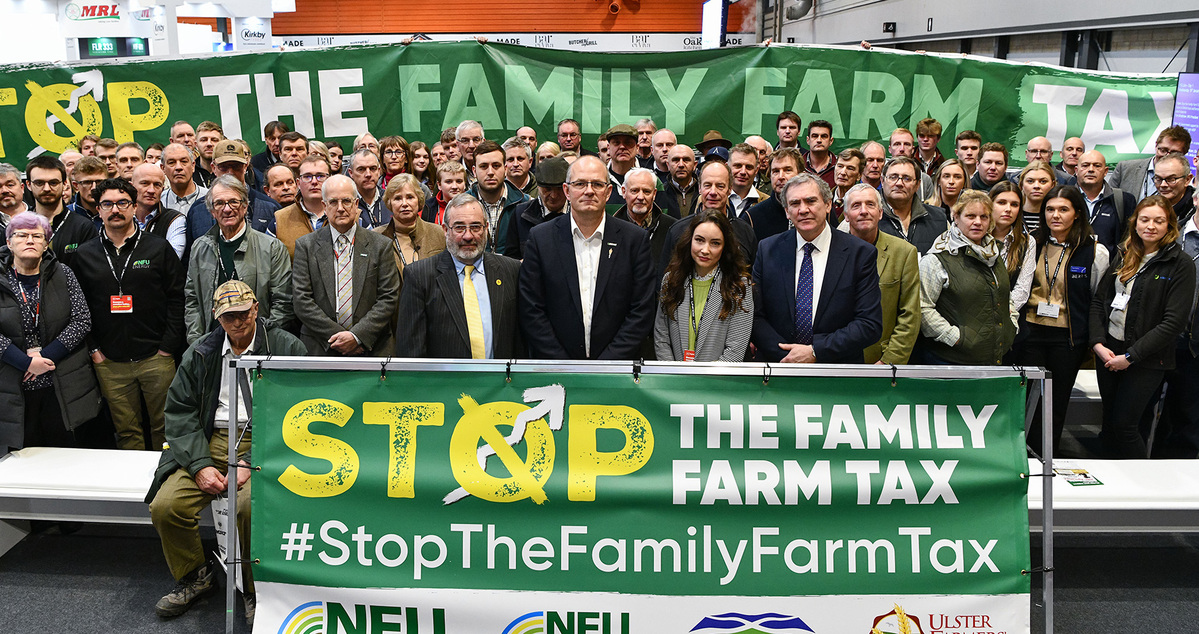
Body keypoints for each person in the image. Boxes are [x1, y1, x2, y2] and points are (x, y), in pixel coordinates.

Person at [147, 280, 307, 622]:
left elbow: (299, 409)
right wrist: (199, 464)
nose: (237, 322)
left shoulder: (286, 346)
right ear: (217, 317)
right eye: (228, 316)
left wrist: (251, 460)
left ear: (256, 309)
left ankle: (252, 588)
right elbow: (179, 411)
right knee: (166, 506)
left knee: (247, 508)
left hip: (266, 438)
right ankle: (195, 576)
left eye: (243, 313)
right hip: (209, 438)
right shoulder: (201, 351)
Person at [73, 178, 185, 451]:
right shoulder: (84, 254)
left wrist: (167, 347)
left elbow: (177, 298)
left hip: (156, 357)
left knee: (165, 429)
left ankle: (164, 476)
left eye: (122, 203)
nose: (115, 209)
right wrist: (94, 350)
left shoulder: (158, 248)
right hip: (109, 361)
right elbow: (78, 308)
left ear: (134, 207)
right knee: (126, 432)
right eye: (107, 204)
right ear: (98, 210)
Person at [518, 155, 656, 360]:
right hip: (556, 367)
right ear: (567, 191)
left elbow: (642, 309)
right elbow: (531, 308)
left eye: (597, 184)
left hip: (618, 368)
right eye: (580, 184)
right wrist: (564, 364)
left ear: (608, 192)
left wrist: (607, 364)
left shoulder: (634, 240)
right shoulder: (541, 239)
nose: (589, 191)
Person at [1091, 196, 1196, 458]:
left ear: (1169, 225)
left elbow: (1173, 322)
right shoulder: (1125, 253)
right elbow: (1100, 302)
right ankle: (1108, 478)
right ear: (1135, 222)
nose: (1150, 226)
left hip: (1146, 359)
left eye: (1159, 221)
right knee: (1108, 424)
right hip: (1109, 352)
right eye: (1145, 219)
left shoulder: (1180, 263)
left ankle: (1139, 481)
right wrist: (1098, 344)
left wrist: (1130, 357)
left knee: (1125, 427)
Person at [752, 173, 882, 363]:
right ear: (787, 211)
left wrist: (815, 351)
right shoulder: (767, 250)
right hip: (778, 366)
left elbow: (869, 324)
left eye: (811, 201)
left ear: (828, 205)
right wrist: (788, 356)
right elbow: (755, 316)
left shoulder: (860, 254)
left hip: (836, 370)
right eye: (795, 203)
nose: (803, 210)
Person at [1021, 185, 1109, 457]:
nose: (1055, 215)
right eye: (1050, 209)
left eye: (1063, 209)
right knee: (1025, 399)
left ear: (1077, 213)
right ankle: (1020, 456)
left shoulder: (1094, 251)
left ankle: (1046, 456)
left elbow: (1096, 298)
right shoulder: (1031, 243)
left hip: (1067, 338)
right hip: (1030, 332)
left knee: (1056, 402)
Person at [0, 212, 99, 453]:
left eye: (37, 236)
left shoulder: (63, 273)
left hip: (59, 380)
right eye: (21, 235)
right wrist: (25, 363)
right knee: (21, 457)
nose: (30, 240)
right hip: (12, 382)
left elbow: (81, 320)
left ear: (46, 244)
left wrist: (43, 358)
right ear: (9, 243)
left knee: (62, 455)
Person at [395, 194, 523, 358]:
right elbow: (411, 350)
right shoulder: (419, 276)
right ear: (445, 230)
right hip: (446, 375)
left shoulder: (511, 270)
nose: (468, 236)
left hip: (502, 374)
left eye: (475, 227)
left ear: (486, 228)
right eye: (459, 227)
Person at [292, 175, 400, 356]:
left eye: (346, 201)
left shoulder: (381, 245)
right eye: (333, 202)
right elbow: (301, 301)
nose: (340, 208)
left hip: (372, 346)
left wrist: (357, 336)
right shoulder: (306, 246)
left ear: (356, 204)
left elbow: (389, 298)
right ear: (324, 206)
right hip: (321, 346)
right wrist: (341, 338)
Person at [185, 175, 293, 344]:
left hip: (258, 345)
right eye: (219, 203)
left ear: (245, 206)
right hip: (211, 345)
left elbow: (283, 303)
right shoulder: (199, 248)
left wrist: (262, 341)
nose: (227, 209)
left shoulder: (272, 247)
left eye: (233, 202)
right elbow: (192, 300)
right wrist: (197, 342)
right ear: (212, 211)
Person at [917, 190, 1016, 365]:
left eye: (984, 217)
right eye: (970, 216)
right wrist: (956, 338)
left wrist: (1012, 324)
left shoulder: (994, 253)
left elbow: (1004, 295)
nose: (978, 222)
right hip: (951, 360)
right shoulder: (937, 258)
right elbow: (922, 307)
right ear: (956, 217)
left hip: (995, 357)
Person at [654, 210, 753, 362]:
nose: (705, 250)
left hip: (719, 376)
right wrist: (674, 372)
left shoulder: (738, 285)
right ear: (689, 240)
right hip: (674, 375)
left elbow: (735, 351)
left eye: (715, 243)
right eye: (699, 240)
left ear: (725, 246)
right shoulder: (671, 280)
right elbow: (661, 338)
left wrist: (704, 377)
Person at [842, 184, 920, 365]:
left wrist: (889, 360)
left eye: (870, 204)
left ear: (880, 213)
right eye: (856, 206)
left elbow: (910, 315)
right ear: (846, 215)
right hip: (836, 358)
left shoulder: (904, 252)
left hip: (880, 359)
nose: (864, 211)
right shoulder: (830, 251)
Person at [375, 174, 445, 296]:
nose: (404, 203)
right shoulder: (376, 237)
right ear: (389, 203)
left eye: (410, 197)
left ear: (419, 200)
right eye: (397, 198)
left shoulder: (439, 233)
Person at [26, 154, 97, 265]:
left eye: (53, 183)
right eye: (39, 183)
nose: (47, 188)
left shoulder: (83, 227)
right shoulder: (18, 225)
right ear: (29, 185)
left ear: (64, 184)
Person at [988, 182, 1036, 328]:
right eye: (1002, 203)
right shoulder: (975, 236)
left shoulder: (1027, 242)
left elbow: (1022, 289)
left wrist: (998, 313)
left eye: (1014, 205)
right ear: (990, 204)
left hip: (1008, 319)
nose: (1008, 209)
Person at [469, 140, 529, 256]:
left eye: (496, 166)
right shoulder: (460, 206)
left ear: (505, 169)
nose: (490, 172)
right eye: (483, 166)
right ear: (474, 171)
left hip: (513, 267)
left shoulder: (526, 204)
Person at [879, 157, 948, 255]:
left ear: (917, 185)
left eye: (907, 178)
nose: (899, 183)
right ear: (882, 181)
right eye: (893, 177)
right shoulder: (870, 218)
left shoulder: (939, 218)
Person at [507, 156, 570, 259]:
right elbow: (510, 258)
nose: (554, 195)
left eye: (559, 189)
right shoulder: (520, 214)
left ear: (567, 188)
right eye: (547, 189)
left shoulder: (579, 214)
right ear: (538, 186)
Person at [614, 167, 677, 270]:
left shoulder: (671, 228)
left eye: (646, 191)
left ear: (654, 194)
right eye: (634, 191)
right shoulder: (612, 228)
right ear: (624, 192)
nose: (640, 197)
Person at [1076, 150, 1136, 253]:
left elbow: (1130, 239)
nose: (1091, 169)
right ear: (1076, 171)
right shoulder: (1064, 198)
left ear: (1106, 171)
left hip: (1111, 262)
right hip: (1070, 261)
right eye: (1085, 165)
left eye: (1097, 166)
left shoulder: (1124, 200)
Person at [1109, 125, 1191, 200]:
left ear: (1184, 153)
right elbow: (1107, 201)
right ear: (1156, 145)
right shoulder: (1125, 168)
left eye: (1174, 153)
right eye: (1163, 150)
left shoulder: (1183, 179)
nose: (1167, 156)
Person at [275, 155, 331, 259]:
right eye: (307, 177)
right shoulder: (279, 219)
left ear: (330, 180)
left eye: (320, 176)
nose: (314, 181)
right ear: (298, 183)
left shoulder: (353, 216)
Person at [747, 147, 805, 243]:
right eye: (776, 171)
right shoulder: (752, 217)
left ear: (801, 175)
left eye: (787, 170)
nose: (781, 177)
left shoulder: (817, 211)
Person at [130, 163, 186, 259]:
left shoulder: (174, 219)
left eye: (157, 185)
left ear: (162, 189)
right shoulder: (121, 217)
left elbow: (172, 259)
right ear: (131, 187)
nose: (151, 190)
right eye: (145, 183)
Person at [161, 143, 207, 216]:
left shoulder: (210, 198)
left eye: (184, 161)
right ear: (163, 168)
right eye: (171, 163)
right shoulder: (158, 201)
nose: (178, 167)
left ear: (193, 166)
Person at [346, 148, 386, 228]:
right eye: (361, 169)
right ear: (351, 173)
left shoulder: (390, 199)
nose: (368, 174)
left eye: (372, 169)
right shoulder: (345, 203)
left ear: (379, 171)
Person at [423, 160, 469, 225]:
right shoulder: (426, 208)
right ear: (439, 185)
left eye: (459, 181)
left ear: (464, 184)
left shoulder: (474, 205)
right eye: (449, 182)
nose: (454, 186)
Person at [1017, 160, 1057, 234]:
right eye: (1030, 181)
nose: (1036, 186)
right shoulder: (1014, 214)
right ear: (1022, 185)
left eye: (1043, 181)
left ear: (1053, 185)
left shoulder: (1057, 217)